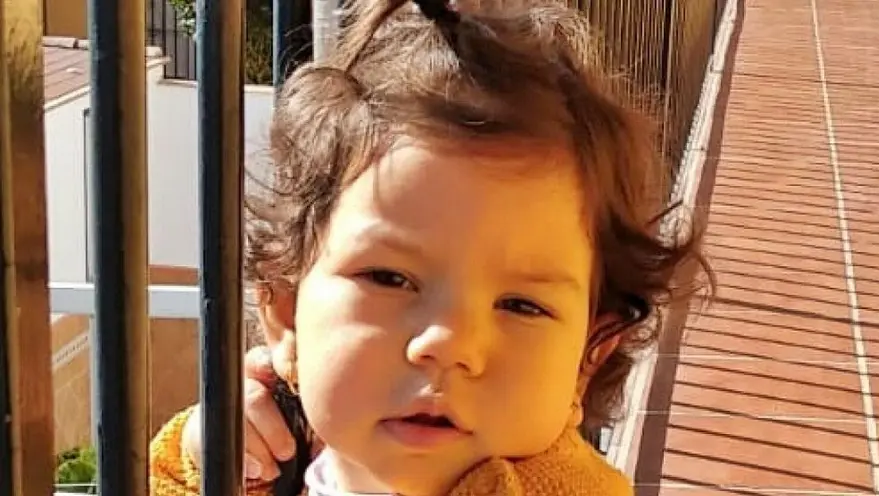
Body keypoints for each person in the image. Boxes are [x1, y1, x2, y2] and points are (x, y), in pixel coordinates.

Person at [149, 0, 706, 494]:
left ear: (588, 358)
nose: (448, 343)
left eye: (521, 305)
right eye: (389, 278)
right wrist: (207, 463)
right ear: (287, 313)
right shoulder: (277, 464)